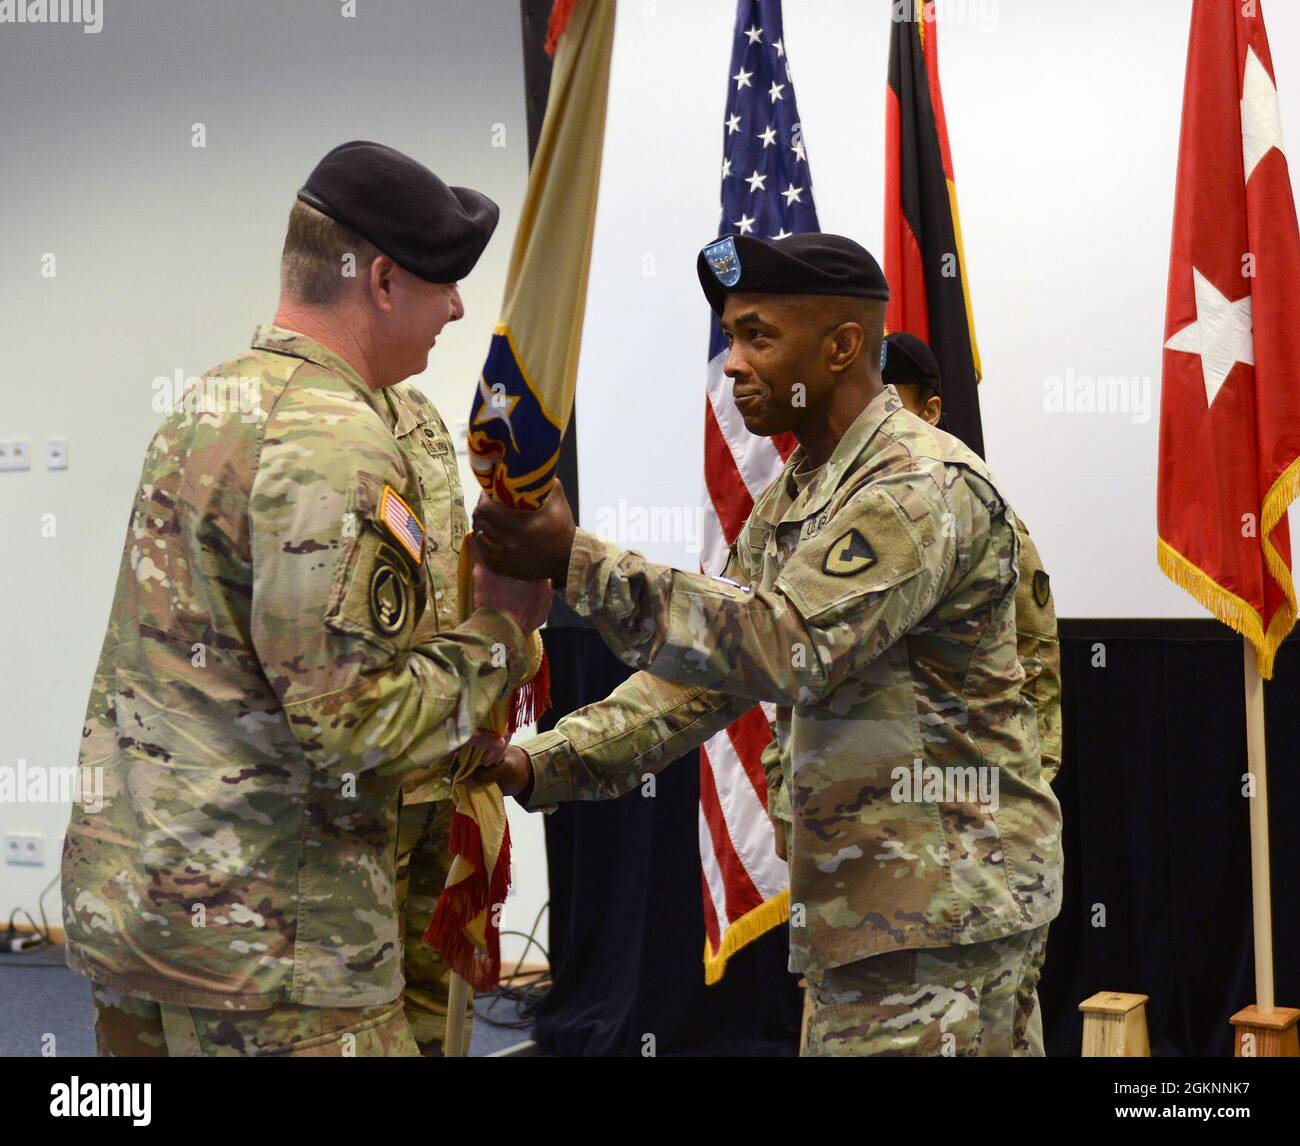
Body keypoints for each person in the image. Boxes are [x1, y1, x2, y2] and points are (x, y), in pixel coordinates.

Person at [473, 233, 1063, 1056]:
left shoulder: (913, 487)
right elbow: (706, 679)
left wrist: (575, 562)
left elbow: (783, 646)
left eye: (758, 335)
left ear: (841, 346)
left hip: (940, 915)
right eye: (730, 338)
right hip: (878, 911)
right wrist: (545, 761)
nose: (734, 365)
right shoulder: (803, 489)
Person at [61, 140, 551, 1057]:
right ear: (380, 279)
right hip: (273, 950)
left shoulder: (209, 403)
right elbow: (352, 726)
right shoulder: (337, 441)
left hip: (146, 913)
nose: (454, 308)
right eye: (442, 282)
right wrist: (499, 632)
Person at [881, 332, 1062, 787]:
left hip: (961, 793)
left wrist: (1033, 787)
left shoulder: (981, 515)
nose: (876, 425)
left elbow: (1034, 658)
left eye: (890, 406)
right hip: (852, 797)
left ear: (930, 413)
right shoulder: (826, 513)